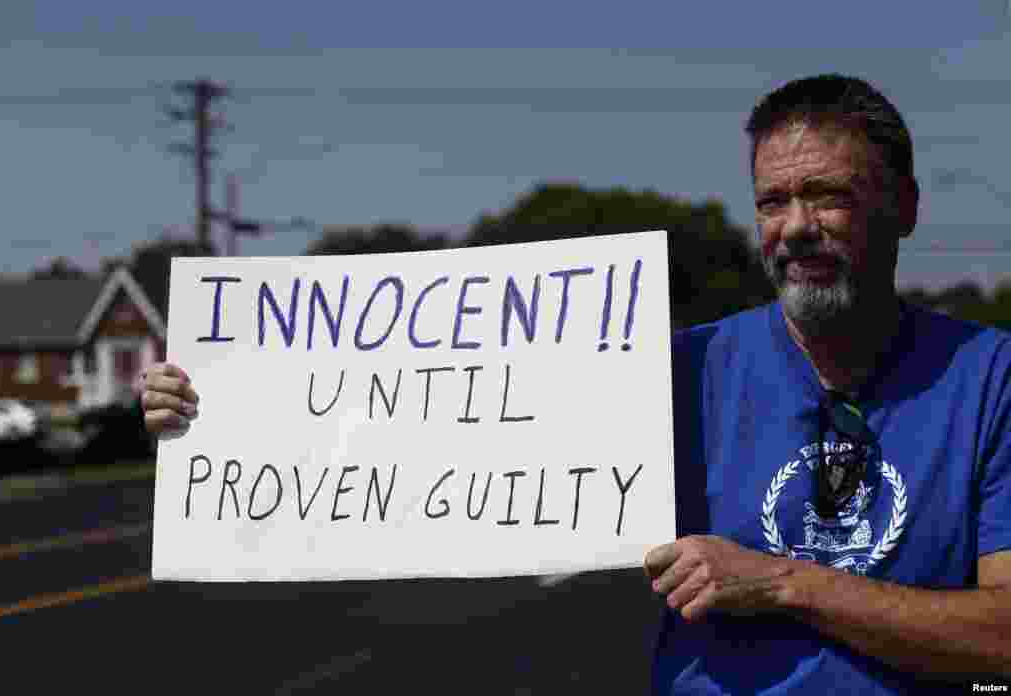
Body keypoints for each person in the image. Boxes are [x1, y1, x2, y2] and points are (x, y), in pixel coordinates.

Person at [141, 74, 1011, 693]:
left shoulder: (989, 378)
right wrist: (220, 405)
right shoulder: (676, 369)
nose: (794, 227)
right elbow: (408, 443)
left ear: (904, 206)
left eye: (826, 196)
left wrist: (784, 582)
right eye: (771, 202)